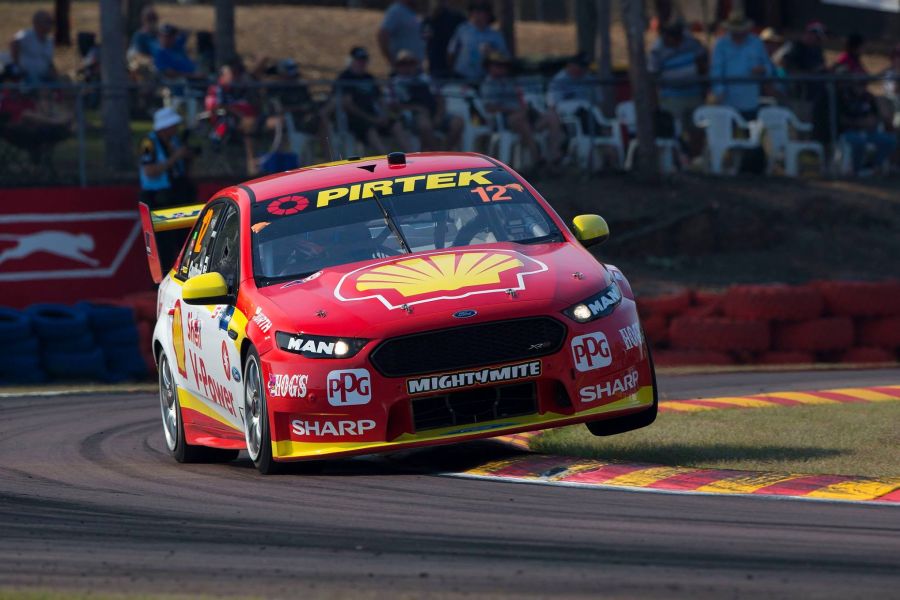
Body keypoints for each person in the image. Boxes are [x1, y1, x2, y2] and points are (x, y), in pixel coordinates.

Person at [480, 52, 563, 170]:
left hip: (526, 116)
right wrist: (513, 109)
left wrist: (525, 108)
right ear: (489, 67)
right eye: (498, 66)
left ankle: (554, 157)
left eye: (503, 66)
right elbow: (489, 107)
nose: (502, 69)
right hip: (505, 121)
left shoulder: (510, 82)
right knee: (519, 118)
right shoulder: (487, 85)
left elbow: (521, 99)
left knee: (552, 117)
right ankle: (536, 157)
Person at [334, 46, 409, 154]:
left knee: (395, 124)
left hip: (374, 116)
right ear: (352, 60)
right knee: (370, 130)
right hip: (356, 120)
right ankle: (386, 159)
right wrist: (372, 119)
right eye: (359, 60)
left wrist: (384, 115)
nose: (362, 63)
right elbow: (348, 105)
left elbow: (380, 99)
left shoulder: (369, 77)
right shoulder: (345, 77)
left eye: (364, 60)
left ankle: (411, 156)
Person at [388, 49, 463, 150]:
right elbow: (393, 105)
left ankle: (444, 152)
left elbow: (440, 99)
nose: (407, 66)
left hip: (434, 112)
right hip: (412, 116)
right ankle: (435, 157)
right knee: (425, 125)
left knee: (458, 122)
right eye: (403, 63)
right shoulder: (394, 83)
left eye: (410, 63)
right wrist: (417, 108)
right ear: (397, 66)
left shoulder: (426, 79)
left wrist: (439, 115)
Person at [647, 16, 707, 134]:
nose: (675, 40)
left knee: (698, 130)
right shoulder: (657, 50)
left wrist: (703, 87)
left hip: (694, 94)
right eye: (671, 36)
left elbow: (702, 62)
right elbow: (652, 78)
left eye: (677, 36)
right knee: (672, 132)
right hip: (671, 97)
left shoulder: (690, 42)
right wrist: (655, 105)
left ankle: (694, 153)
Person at [709, 10, 772, 120]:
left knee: (750, 133)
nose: (738, 33)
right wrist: (719, 91)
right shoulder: (721, 45)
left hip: (750, 99)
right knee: (727, 133)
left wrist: (763, 70)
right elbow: (716, 70)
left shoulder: (756, 42)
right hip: (727, 100)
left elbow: (768, 66)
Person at [267, 58, 333, 160]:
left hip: (304, 121)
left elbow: (309, 105)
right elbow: (278, 109)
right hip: (288, 123)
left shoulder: (300, 86)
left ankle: (329, 159)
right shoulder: (275, 88)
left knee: (321, 120)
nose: (292, 77)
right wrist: (298, 108)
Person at [837, 77, 896, 176]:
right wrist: (858, 122)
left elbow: (877, 117)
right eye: (859, 84)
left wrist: (874, 121)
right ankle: (856, 169)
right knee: (859, 141)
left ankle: (874, 167)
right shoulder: (844, 97)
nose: (862, 87)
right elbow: (840, 119)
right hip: (850, 132)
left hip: (869, 132)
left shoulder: (869, 97)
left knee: (890, 140)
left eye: (864, 84)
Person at [139, 107, 197, 207]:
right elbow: (149, 171)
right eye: (173, 125)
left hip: (178, 191)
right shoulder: (147, 144)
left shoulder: (175, 140)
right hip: (157, 195)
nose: (176, 128)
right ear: (165, 127)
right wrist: (175, 157)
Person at [447, 1, 508, 84]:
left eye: (480, 13)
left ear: (488, 16)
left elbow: (504, 56)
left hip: (484, 78)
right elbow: (451, 51)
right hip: (462, 76)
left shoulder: (495, 36)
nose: (477, 16)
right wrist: (451, 70)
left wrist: (492, 52)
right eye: (474, 13)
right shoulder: (463, 30)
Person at [422, 0, 465, 79]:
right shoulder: (428, 20)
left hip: (454, 64)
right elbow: (425, 38)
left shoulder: (457, 17)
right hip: (435, 64)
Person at [10, 10, 56, 84]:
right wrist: (17, 65)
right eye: (47, 21)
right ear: (36, 23)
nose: (50, 24)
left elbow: (49, 61)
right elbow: (14, 42)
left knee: (65, 80)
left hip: (44, 76)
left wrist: (54, 72)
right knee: (43, 89)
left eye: (51, 22)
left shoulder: (50, 41)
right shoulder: (26, 35)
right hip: (27, 77)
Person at [378, 0, 425, 66]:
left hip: (416, 69)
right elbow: (382, 34)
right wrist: (391, 59)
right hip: (403, 69)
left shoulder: (411, 11)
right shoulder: (396, 11)